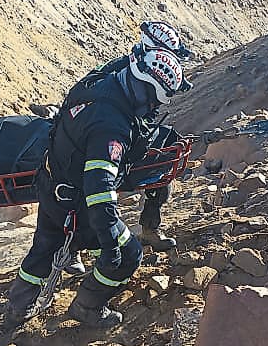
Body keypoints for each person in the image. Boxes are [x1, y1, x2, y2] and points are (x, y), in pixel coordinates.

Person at [7, 48, 188, 328]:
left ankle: (18, 307)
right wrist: (108, 242)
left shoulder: (100, 81)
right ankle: (88, 306)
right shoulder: (112, 128)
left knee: (45, 246)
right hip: (79, 206)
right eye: (154, 99)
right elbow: (100, 192)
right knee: (129, 254)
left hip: (52, 185)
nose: (153, 107)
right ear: (148, 90)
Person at [61, 21, 193, 253]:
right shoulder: (123, 71)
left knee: (169, 148)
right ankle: (73, 248)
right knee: (88, 182)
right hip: (97, 134)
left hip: (124, 130)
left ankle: (150, 228)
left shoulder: (141, 67)